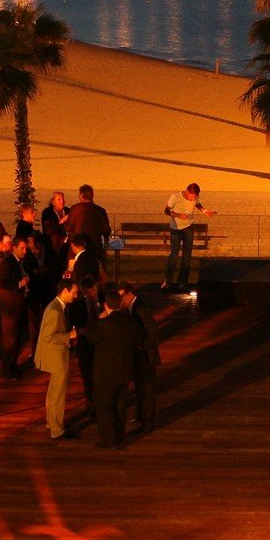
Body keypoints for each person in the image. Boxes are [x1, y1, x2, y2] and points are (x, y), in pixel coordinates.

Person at [86, 289, 143, 450]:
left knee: (103, 407)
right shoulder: (130, 321)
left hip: (105, 373)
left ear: (106, 305)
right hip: (124, 371)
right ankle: (119, 437)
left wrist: (98, 320)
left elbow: (91, 338)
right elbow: (137, 338)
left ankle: (108, 440)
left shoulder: (103, 324)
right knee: (120, 406)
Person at [35, 277, 78, 441]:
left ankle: (52, 423)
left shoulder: (56, 307)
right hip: (56, 357)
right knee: (57, 395)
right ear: (65, 291)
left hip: (55, 356)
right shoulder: (55, 310)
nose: (75, 296)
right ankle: (57, 429)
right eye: (74, 292)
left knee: (54, 393)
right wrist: (70, 336)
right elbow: (48, 337)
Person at [119, 283, 162, 432]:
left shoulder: (140, 308)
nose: (120, 299)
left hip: (146, 357)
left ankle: (147, 422)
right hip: (140, 357)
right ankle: (141, 417)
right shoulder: (132, 308)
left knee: (146, 391)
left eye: (122, 296)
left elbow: (153, 330)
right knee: (140, 389)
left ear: (130, 294)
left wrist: (143, 346)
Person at [162, 182, 217, 291]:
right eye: (192, 196)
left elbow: (197, 204)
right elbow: (166, 210)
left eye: (195, 197)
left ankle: (182, 282)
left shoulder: (195, 197)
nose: (193, 199)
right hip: (176, 230)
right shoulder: (175, 197)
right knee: (174, 255)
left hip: (188, 228)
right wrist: (178, 215)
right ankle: (167, 281)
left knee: (187, 257)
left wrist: (204, 211)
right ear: (187, 192)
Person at [0, 238, 28, 379]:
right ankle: (6, 369)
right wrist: (20, 284)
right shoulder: (8, 263)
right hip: (10, 307)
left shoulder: (18, 262)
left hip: (16, 306)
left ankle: (12, 365)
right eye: (22, 248)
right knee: (10, 340)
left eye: (26, 248)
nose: (25, 251)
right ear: (14, 248)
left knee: (17, 337)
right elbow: (1, 282)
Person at [68, 275, 100, 422]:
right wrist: (80, 331)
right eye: (88, 292)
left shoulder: (105, 301)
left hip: (102, 346)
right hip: (86, 346)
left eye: (93, 290)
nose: (91, 294)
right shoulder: (77, 306)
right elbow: (71, 324)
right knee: (88, 378)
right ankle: (91, 404)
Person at [64, 185, 112, 261]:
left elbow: (68, 227)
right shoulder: (101, 211)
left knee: (75, 270)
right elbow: (106, 230)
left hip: (77, 248)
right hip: (95, 248)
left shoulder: (75, 209)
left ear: (81, 195)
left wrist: (64, 221)